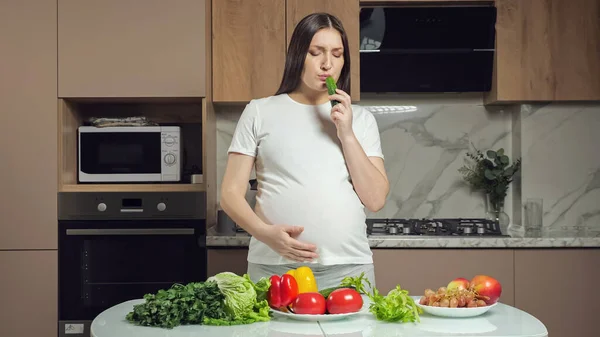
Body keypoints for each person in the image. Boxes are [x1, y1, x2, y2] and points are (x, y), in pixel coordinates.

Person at [220, 12, 389, 290]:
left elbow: (375, 199)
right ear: (298, 54)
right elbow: (229, 194)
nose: (327, 64)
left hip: (348, 268)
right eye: (316, 52)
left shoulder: (360, 119)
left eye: (337, 54)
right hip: (273, 267)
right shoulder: (259, 111)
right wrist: (266, 235)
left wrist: (346, 133)